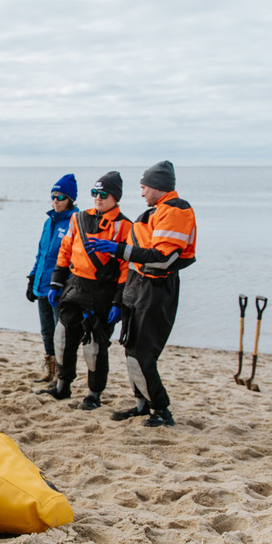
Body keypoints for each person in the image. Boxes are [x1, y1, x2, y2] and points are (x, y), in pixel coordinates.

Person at [84, 160, 197, 427]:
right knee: (131, 348)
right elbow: (140, 254)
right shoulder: (156, 210)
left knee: (141, 353)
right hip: (139, 287)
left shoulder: (176, 210)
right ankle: (142, 405)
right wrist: (122, 295)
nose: (142, 192)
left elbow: (162, 259)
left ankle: (161, 410)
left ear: (158, 186)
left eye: (144, 187)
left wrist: (116, 249)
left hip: (156, 289)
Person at [40, 171, 131, 407]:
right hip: (75, 287)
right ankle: (62, 385)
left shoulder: (125, 226)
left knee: (94, 346)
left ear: (115, 196)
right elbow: (66, 249)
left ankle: (94, 394)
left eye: (104, 194)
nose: (98, 198)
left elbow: (126, 267)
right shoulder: (78, 218)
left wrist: (119, 302)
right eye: (95, 193)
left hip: (103, 292)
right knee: (63, 338)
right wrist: (56, 282)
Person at [25, 174, 77, 384]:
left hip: (60, 287)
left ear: (70, 199)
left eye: (60, 197)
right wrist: (32, 279)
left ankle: (63, 376)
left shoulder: (76, 221)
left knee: (60, 333)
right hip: (41, 285)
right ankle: (51, 371)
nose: (55, 200)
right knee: (46, 331)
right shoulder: (49, 222)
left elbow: (74, 258)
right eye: (53, 196)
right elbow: (42, 254)